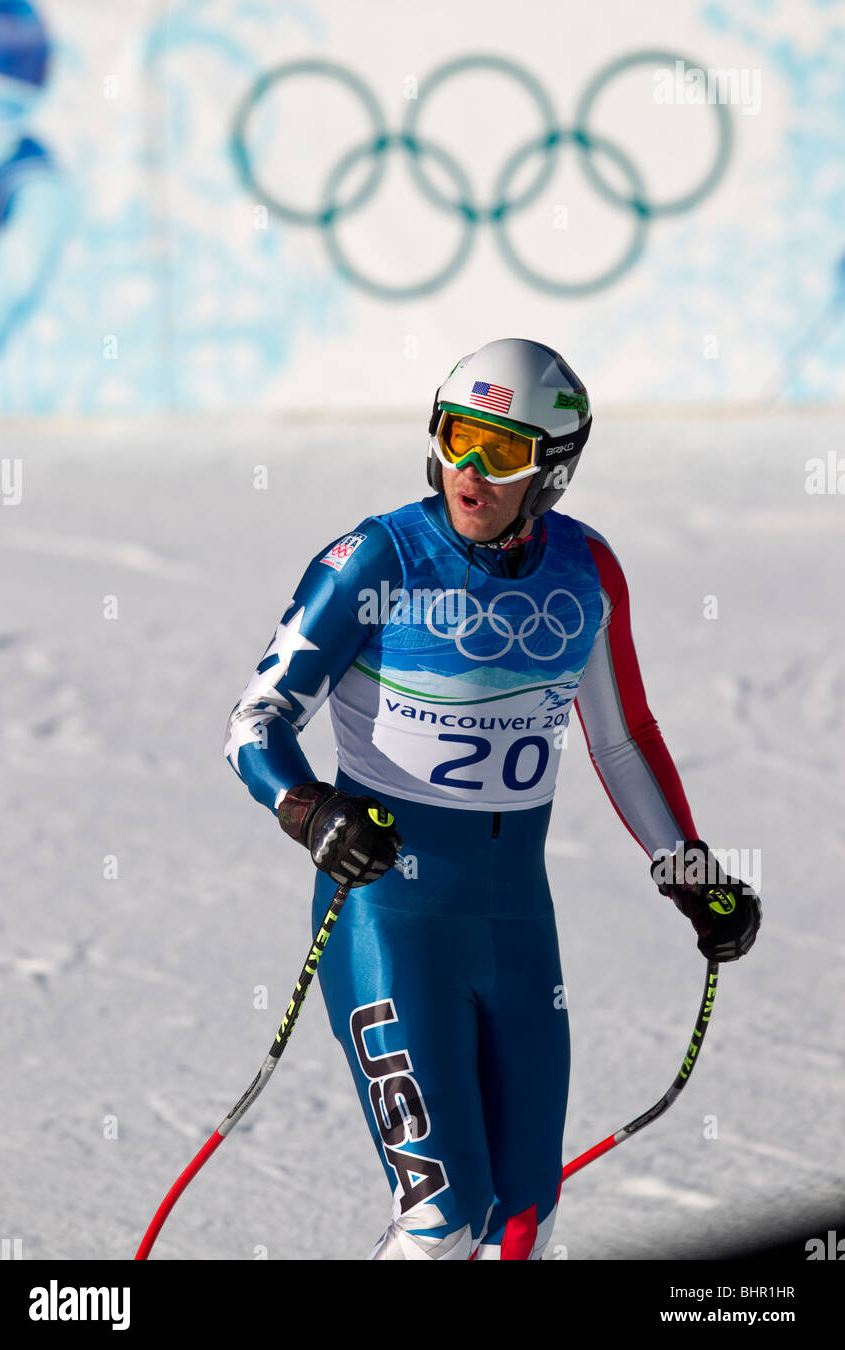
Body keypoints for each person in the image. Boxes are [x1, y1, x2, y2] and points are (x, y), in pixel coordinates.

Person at [224, 337, 761, 1261]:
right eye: (455, 438)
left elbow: (624, 738)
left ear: (551, 471)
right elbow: (256, 720)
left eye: (502, 451)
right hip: (390, 920)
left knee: (523, 1221)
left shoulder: (585, 573)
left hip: (516, 925)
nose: (467, 470)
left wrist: (689, 872)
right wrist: (310, 810)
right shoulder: (378, 559)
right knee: (443, 1220)